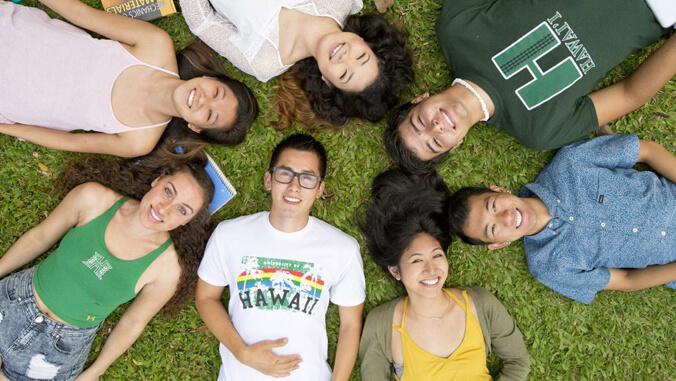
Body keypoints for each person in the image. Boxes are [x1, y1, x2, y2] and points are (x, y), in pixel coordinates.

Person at [383, 0, 676, 173]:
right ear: (455, 144)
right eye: (435, 142)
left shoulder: (455, 30)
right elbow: (630, 94)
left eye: (420, 121)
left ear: (420, 99)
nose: (436, 126)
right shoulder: (539, 131)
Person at [0, 154, 215, 380]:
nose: (165, 208)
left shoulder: (167, 267)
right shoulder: (93, 198)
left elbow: (133, 322)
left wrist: (94, 372)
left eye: (182, 210)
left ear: (186, 222)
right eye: (168, 192)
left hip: (56, 352)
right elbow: (40, 237)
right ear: (157, 180)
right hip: (14, 302)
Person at [195, 134, 365, 380]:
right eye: (285, 174)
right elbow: (206, 297)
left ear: (319, 190)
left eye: (307, 178)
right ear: (268, 179)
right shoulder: (229, 234)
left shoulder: (343, 249)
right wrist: (242, 353)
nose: (294, 186)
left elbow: (350, 325)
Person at [0, 0, 258, 158]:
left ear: (196, 127)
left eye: (210, 115)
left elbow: (70, 141)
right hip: (12, 32)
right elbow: (82, 15)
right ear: (208, 77)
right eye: (216, 92)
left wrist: (6, 127)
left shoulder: (139, 141)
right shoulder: (155, 45)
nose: (204, 101)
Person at [449, 134, 676, 304]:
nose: (506, 217)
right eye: (493, 228)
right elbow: (626, 280)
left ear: (500, 190)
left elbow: (645, 150)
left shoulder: (570, 162)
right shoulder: (548, 268)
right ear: (499, 244)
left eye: (494, 206)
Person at [359, 169, 530, 381]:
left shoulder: (481, 304)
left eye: (437, 255)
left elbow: (518, 362)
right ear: (396, 271)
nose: (431, 270)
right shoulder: (381, 325)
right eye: (417, 260)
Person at [180, 0, 413, 129]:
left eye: (344, 74)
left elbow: (203, 23)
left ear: (327, 82)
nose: (345, 57)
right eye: (361, 57)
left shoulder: (263, 60)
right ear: (366, 41)